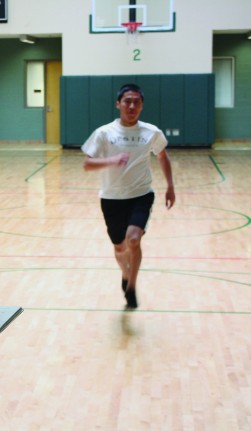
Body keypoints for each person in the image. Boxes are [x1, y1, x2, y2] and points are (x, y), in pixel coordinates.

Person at [81, 83, 175, 309]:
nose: (131, 106)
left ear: (142, 106)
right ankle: (125, 274)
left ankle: (131, 287)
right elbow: (87, 164)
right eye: (127, 101)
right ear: (118, 104)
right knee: (120, 248)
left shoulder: (151, 132)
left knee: (133, 239)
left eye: (136, 102)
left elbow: (162, 156)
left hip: (141, 194)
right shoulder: (104, 133)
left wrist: (170, 186)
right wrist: (111, 160)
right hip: (111, 198)